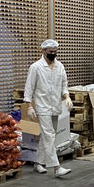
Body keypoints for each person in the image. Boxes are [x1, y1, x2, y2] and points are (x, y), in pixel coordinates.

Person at [23, 39, 73, 178]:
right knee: (49, 135)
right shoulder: (36, 67)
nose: (53, 54)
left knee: (48, 136)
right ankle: (57, 168)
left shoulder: (60, 66)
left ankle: (38, 163)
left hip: (55, 105)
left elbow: (64, 84)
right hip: (42, 106)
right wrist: (29, 106)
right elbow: (29, 87)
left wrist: (67, 97)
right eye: (50, 52)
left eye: (55, 52)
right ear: (43, 51)